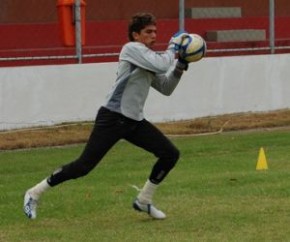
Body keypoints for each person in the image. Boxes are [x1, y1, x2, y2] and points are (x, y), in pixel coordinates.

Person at [23, 12, 189, 220]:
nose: (153, 35)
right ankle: (34, 193)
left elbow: (166, 87)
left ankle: (144, 200)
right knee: (83, 166)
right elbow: (163, 64)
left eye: (155, 31)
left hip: (134, 120)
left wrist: (181, 66)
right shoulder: (132, 49)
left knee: (170, 154)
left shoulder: (149, 59)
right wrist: (175, 46)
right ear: (136, 35)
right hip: (112, 118)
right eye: (148, 32)